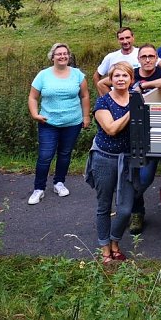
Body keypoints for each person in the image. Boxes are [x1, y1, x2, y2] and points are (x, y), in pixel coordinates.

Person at [86, 62, 140, 263]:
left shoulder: (136, 99)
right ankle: (105, 248)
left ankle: (115, 240)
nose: (120, 79)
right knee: (104, 205)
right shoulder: (103, 102)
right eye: (116, 76)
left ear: (130, 79)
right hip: (104, 158)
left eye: (124, 76)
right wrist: (131, 111)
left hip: (127, 159)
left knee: (125, 208)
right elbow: (111, 129)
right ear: (110, 79)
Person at [27, 43, 91, 205]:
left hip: (73, 122)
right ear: (52, 57)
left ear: (69, 56)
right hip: (48, 122)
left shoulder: (78, 75)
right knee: (45, 156)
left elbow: (85, 96)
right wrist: (35, 114)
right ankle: (38, 189)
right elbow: (33, 97)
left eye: (65, 54)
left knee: (64, 154)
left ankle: (59, 183)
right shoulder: (43, 75)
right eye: (58, 54)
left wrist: (86, 117)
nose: (62, 56)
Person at [125, 44, 161, 234]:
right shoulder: (130, 73)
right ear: (138, 59)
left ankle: (131, 203)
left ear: (156, 58)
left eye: (151, 56)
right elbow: (104, 82)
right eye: (144, 56)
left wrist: (143, 86)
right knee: (129, 177)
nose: (147, 60)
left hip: (153, 135)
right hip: (129, 133)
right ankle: (136, 213)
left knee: (144, 179)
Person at [93, 27, 140, 95]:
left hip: (137, 94)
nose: (125, 41)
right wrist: (102, 94)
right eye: (121, 39)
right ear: (118, 40)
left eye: (127, 37)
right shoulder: (111, 57)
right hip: (116, 97)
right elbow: (96, 76)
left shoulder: (142, 54)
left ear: (133, 37)